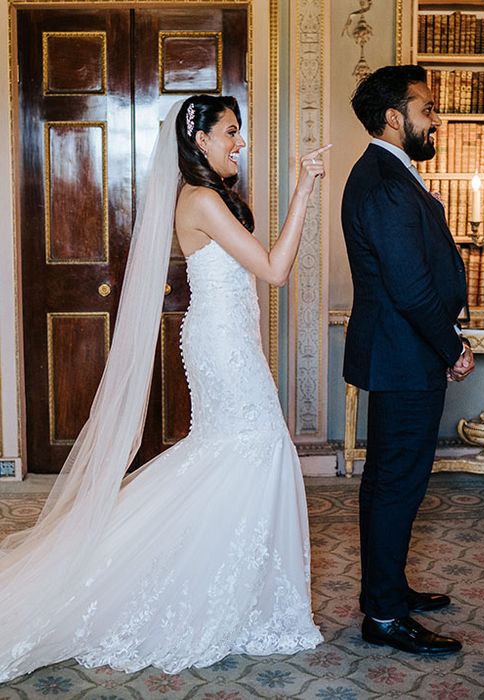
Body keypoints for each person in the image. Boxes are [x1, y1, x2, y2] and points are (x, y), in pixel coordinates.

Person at [0, 96, 329, 681]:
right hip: (222, 345)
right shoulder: (199, 198)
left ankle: (237, 592)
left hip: (226, 340)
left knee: (232, 454)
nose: (241, 142)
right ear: (199, 138)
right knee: (251, 450)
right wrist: (305, 187)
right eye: (232, 132)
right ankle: (186, 583)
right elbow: (275, 270)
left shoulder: (204, 196)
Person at [341, 65, 475, 656]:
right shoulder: (382, 181)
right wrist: (453, 346)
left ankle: (388, 590)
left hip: (403, 354)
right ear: (394, 117)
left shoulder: (393, 175)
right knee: (396, 486)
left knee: (391, 484)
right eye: (426, 107)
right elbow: (410, 286)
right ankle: (385, 617)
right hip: (405, 356)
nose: (435, 117)